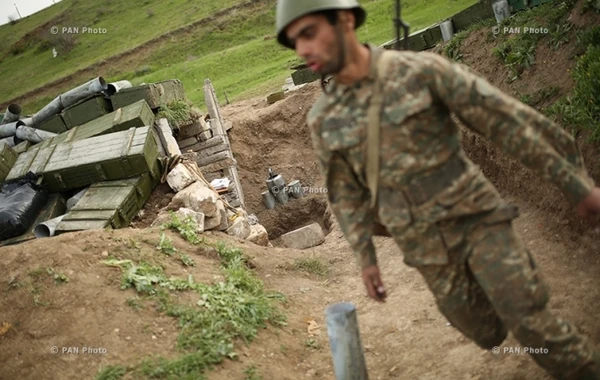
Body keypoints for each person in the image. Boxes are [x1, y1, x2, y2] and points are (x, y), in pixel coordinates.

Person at [275, 0, 600, 378]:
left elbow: (505, 123)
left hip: (477, 218)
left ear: (345, 19)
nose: (302, 50)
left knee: (529, 320)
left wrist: (577, 186)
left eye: (309, 33)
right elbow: (344, 193)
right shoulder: (324, 120)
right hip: (423, 246)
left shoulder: (421, 71)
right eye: (294, 41)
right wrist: (365, 258)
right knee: (486, 332)